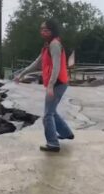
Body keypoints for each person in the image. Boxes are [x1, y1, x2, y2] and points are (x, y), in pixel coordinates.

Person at [14, 19, 74, 152]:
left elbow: (57, 67)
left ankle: (53, 144)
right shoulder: (47, 46)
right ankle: (66, 133)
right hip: (58, 83)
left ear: (52, 31)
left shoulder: (55, 45)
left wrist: (51, 85)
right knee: (51, 112)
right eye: (41, 29)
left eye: (46, 30)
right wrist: (22, 74)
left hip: (57, 83)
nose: (43, 32)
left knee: (47, 115)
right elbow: (37, 63)